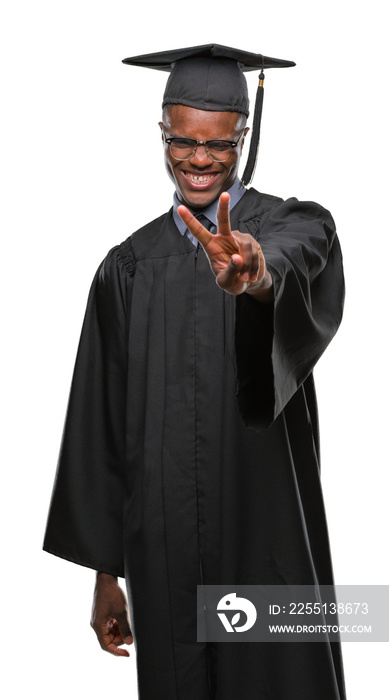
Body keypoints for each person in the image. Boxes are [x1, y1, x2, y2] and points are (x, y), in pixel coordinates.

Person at [43, 44, 347, 699]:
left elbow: (298, 260)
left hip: (262, 533)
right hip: (164, 546)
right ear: (162, 133)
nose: (199, 158)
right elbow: (101, 421)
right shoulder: (127, 266)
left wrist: (256, 271)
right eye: (183, 139)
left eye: (219, 142)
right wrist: (105, 573)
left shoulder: (293, 225)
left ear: (244, 135)